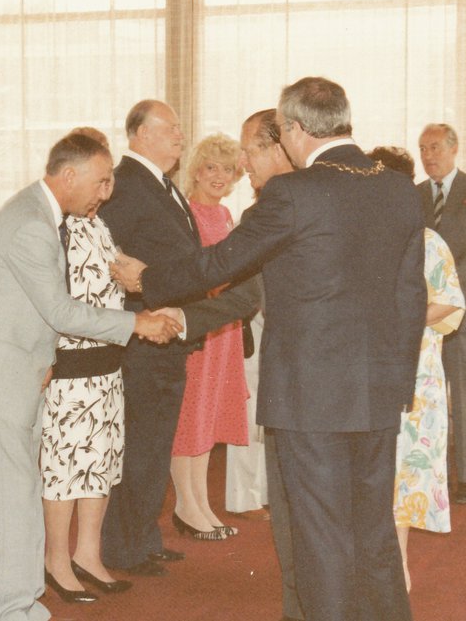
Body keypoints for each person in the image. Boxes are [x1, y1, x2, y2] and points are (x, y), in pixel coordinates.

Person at [114, 77, 426, 621]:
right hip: (379, 393)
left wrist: (149, 280)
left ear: (294, 130)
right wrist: (397, 384)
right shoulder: (397, 187)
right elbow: (411, 294)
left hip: (310, 398)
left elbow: (220, 263)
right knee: (373, 530)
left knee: (320, 535)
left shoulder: (296, 192)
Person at [0, 132, 181, 621]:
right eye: (101, 180)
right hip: (4, 382)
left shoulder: (40, 214)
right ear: (70, 176)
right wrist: (138, 323)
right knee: (12, 505)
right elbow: (62, 311)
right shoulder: (31, 225)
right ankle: (6, 610)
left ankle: (19, 606)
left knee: (18, 502)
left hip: (26, 374)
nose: (106, 192)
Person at [98, 100, 261, 576]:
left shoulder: (160, 184)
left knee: (155, 443)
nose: (179, 135)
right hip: (143, 334)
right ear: (138, 133)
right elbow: (110, 254)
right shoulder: (127, 183)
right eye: (169, 127)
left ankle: (144, 538)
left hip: (169, 334)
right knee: (142, 445)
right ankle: (124, 547)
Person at [40, 126, 133, 603]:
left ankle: (88, 553)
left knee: (100, 461)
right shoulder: (52, 225)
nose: (106, 192)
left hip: (106, 362)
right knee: (65, 466)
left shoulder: (97, 224)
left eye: (109, 181)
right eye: (100, 181)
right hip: (70, 364)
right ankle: (56, 558)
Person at [371, 146, 466, 591]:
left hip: (415, 375)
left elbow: (449, 300)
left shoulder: (428, 240)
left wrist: (403, 317)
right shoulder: (359, 236)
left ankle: (398, 569)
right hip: (364, 370)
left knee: (403, 473)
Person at [233, 108, 304, 621]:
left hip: (300, 383)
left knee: (299, 514)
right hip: (323, 383)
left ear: (280, 149)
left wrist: (154, 286)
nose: (242, 162)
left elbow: (222, 274)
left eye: (250, 150)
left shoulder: (280, 206)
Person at [170, 133, 249, 541]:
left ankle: (201, 501)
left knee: (210, 413)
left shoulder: (227, 215)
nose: (219, 176)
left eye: (228, 168)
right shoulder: (188, 214)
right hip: (201, 325)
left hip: (227, 329)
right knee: (191, 414)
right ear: (196, 170)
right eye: (211, 167)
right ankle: (186, 504)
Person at [417, 123, 466, 504]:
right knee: (423, 397)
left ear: (453, 149)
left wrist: (442, 285)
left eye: (434, 147)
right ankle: (427, 471)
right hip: (421, 314)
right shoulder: (413, 195)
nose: (428, 155)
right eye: (422, 148)